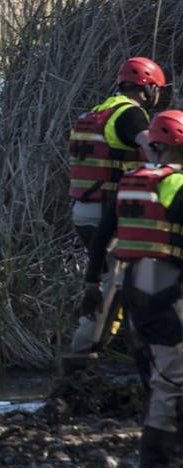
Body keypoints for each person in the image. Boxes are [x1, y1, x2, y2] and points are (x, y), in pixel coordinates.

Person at [69, 56, 165, 374]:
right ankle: (82, 358)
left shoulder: (97, 112)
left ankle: (100, 351)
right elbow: (151, 147)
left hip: (84, 209)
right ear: (147, 89)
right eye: (157, 89)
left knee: (111, 280)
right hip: (107, 212)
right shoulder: (130, 114)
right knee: (113, 285)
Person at [108, 110, 183, 468]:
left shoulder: (132, 180)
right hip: (165, 291)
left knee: (160, 376)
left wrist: (91, 285)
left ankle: (158, 465)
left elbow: (107, 232)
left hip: (134, 288)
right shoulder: (176, 184)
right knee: (171, 379)